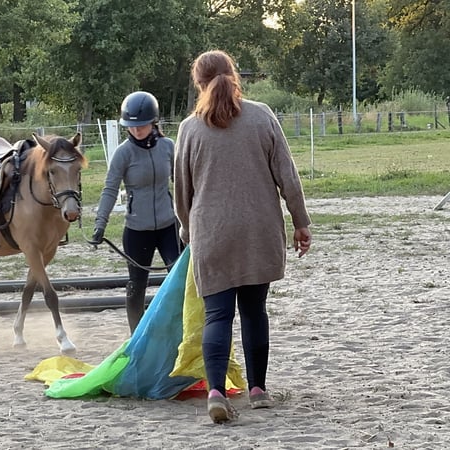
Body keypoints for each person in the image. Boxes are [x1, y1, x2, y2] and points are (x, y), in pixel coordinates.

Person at [173, 50, 313, 424]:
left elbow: (182, 191)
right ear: (235, 76)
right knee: (254, 311)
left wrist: (189, 229)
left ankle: (216, 392)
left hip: (212, 233)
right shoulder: (262, 115)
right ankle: (258, 390)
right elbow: (287, 176)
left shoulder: (189, 129)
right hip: (258, 230)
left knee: (217, 315)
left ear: (199, 84)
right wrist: (301, 222)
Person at [91, 91, 182, 334]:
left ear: (154, 121)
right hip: (137, 230)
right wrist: (100, 223)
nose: (136, 130)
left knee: (178, 280)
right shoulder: (123, 153)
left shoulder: (168, 147)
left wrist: (192, 216)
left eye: (141, 125)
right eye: (131, 126)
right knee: (136, 285)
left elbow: (183, 184)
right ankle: (136, 337)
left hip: (169, 226)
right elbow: (110, 189)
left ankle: (178, 333)